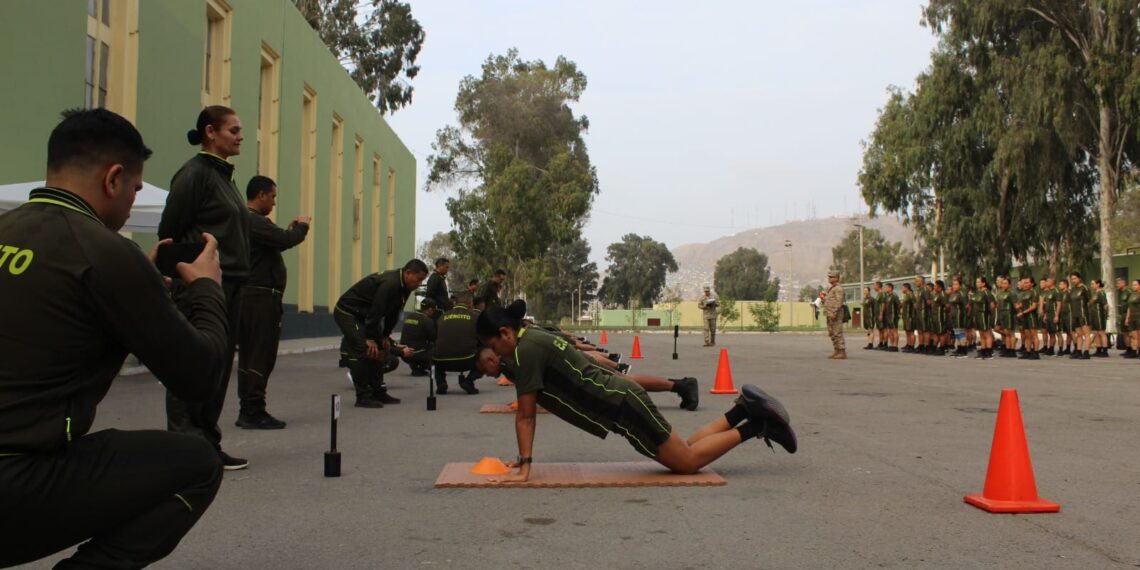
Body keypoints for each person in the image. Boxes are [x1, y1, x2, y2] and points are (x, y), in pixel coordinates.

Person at [0, 108, 228, 568]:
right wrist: (206, 289)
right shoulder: (105, 253)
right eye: (136, 190)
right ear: (114, 178)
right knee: (198, 464)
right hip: (17, 482)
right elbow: (200, 377)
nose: (131, 203)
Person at [475, 301, 796, 483]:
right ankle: (741, 410)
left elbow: (526, 417)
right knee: (684, 448)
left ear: (505, 333)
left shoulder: (525, 351)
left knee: (685, 463)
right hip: (621, 400)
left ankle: (758, 424)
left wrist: (525, 465)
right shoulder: (532, 337)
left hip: (621, 405)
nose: (496, 356)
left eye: (493, 347)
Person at [158, 105, 251, 470]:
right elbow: (170, 230)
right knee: (192, 360)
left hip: (231, 282)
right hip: (200, 284)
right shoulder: (194, 173)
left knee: (219, 365)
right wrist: (177, 277)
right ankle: (184, 446)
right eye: (234, 130)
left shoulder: (224, 178)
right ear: (210, 133)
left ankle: (206, 443)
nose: (240, 136)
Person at [235, 175, 311, 430]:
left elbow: (276, 242)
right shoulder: (253, 220)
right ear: (261, 195)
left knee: (251, 354)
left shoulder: (249, 222)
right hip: (260, 299)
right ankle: (253, 409)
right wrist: (301, 227)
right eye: (273, 196)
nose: (274, 202)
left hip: (253, 297)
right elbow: (285, 240)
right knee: (260, 354)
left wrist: (287, 232)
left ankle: (249, 407)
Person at [335, 259, 429, 407]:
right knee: (365, 348)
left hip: (365, 316)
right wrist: (369, 338)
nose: (419, 283)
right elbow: (376, 312)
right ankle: (363, 396)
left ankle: (379, 392)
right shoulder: (390, 284)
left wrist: (385, 336)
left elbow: (394, 313)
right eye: (418, 279)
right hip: (348, 312)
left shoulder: (406, 287)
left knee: (382, 349)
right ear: (408, 273)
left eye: (422, 280)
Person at [432, 291, 484, 394]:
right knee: (487, 352)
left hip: (441, 361)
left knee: (435, 352)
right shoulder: (476, 317)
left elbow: (434, 337)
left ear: (455, 302)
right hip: (467, 360)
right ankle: (469, 381)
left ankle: (441, 382)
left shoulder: (442, 317)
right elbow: (482, 338)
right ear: (470, 303)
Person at [400, 298, 437, 376]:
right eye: (433, 310)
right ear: (430, 309)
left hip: (403, 353)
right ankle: (426, 366)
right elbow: (433, 338)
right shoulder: (427, 320)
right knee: (436, 347)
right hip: (417, 354)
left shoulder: (410, 316)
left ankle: (415, 367)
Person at [1067, 272, 1092, 359]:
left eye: (1075, 278)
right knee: (1078, 334)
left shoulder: (1084, 288)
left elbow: (1090, 300)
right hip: (1075, 314)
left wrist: (1086, 309)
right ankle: (1078, 351)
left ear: (1079, 278)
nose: (1073, 280)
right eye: (1072, 279)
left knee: (1086, 333)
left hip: (1083, 314)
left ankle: (1087, 352)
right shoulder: (1073, 289)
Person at [824, 271, 846, 359]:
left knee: (837, 332)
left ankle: (841, 351)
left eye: (832, 277)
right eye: (829, 277)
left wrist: (834, 312)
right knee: (832, 333)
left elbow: (839, 301)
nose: (829, 279)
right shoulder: (831, 288)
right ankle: (836, 350)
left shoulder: (838, 289)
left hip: (835, 314)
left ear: (837, 278)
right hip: (829, 313)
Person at [1089, 279, 1109, 357]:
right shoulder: (1095, 293)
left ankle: (1105, 350)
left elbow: (1105, 305)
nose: (1091, 285)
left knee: (1101, 333)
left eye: (1093, 284)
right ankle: (1098, 349)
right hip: (1094, 315)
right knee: (1096, 333)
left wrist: (1105, 314)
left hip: (1099, 315)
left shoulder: (1101, 292)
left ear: (1098, 284)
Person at [1116, 276, 1133, 356]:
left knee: (1130, 333)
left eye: (1119, 283)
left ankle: (1133, 349)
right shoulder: (1121, 292)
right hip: (1122, 314)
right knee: (1124, 333)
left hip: (1128, 314)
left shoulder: (1129, 292)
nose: (1117, 285)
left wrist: (1128, 316)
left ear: (1124, 283)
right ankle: (1128, 348)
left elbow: (1130, 304)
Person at [1126, 279, 1140, 357]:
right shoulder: (1132, 294)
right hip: (1132, 317)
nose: (1133, 286)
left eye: (1135, 284)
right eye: (1133, 285)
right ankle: (1134, 351)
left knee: (1139, 335)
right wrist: (1127, 318)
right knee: (1134, 335)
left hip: (1139, 317)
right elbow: (1129, 307)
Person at [861, 286, 877, 350]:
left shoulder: (872, 299)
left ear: (869, 291)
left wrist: (875, 316)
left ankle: (871, 344)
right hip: (865, 317)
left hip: (870, 317)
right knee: (868, 330)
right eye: (864, 291)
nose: (864, 292)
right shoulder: (865, 299)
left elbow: (875, 308)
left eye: (866, 291)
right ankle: (869, 343)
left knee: (871, 330)